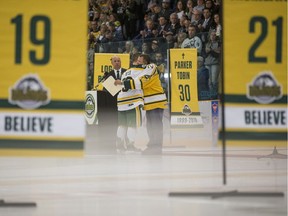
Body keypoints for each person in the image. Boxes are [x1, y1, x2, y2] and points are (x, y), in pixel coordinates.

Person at [120, 54, 167, 154]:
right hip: (148, 103)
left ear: (145, 62)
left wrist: (124, 83)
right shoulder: (142, 71)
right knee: (150, 126)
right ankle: (152, 146)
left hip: (156, 101)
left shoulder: (151, 67)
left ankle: (157, 148)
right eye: (137, 61)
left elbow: (142, 82)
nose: (138, 63)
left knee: (156, 126)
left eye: (139, 61)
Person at [95, 55, 127, 153]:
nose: (117, 62)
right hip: (112, 105)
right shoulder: (109, 74)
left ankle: (125, 143)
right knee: (114, 124)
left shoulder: (126, 72)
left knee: (124, 125)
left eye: (118, 61)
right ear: (112, 63)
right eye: (115, 61)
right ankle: (112, 143)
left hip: (125, 102)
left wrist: (121, 84)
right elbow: (107, 90)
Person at [114, 58, 144, 154]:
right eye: (139, 61)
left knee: (122, 125)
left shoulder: (125, 72)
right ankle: (131, 146)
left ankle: (119, 147)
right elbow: (139, 84)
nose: (141, 63)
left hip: (121, 101)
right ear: (135, 62)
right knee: (132, 125)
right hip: (133, 100)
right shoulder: (140, 71)